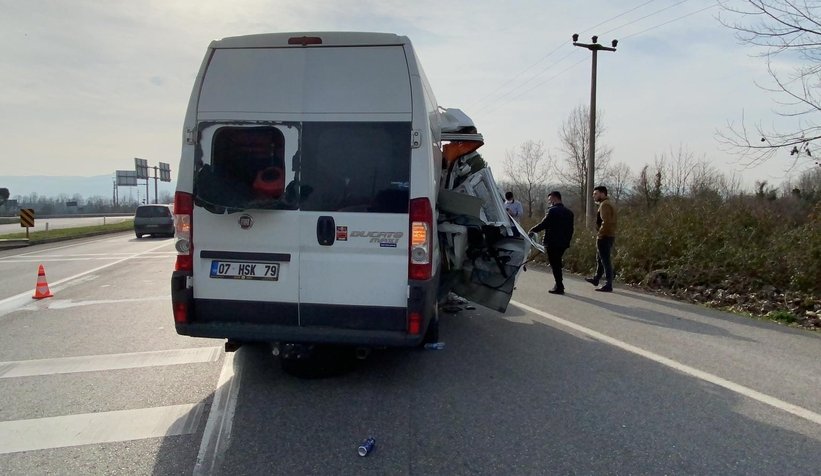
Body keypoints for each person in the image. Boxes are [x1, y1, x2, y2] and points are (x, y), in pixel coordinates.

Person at [528, 191, 574, 294]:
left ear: (554, 198)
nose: (549, 202)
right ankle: (559, 284)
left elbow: (544, 224)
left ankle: (559, 286)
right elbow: (571, 229)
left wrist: (532, 230)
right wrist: (567, 241)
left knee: (555, 264)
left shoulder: (552, 211)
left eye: (550, 200)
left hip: (552, 242)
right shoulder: (569, 213)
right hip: (563, 243)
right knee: (557, 263)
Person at [586, 185, 617, 292]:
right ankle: (596, 279)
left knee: (605, 260)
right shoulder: (606, 203)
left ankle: (609, 284)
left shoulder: (605, 205)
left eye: (595, 193)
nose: (593, 196)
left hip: (605, 236)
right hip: (608, 235)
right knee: (600, 259)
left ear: (602, 193)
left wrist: (600, 233)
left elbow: (606, 222)